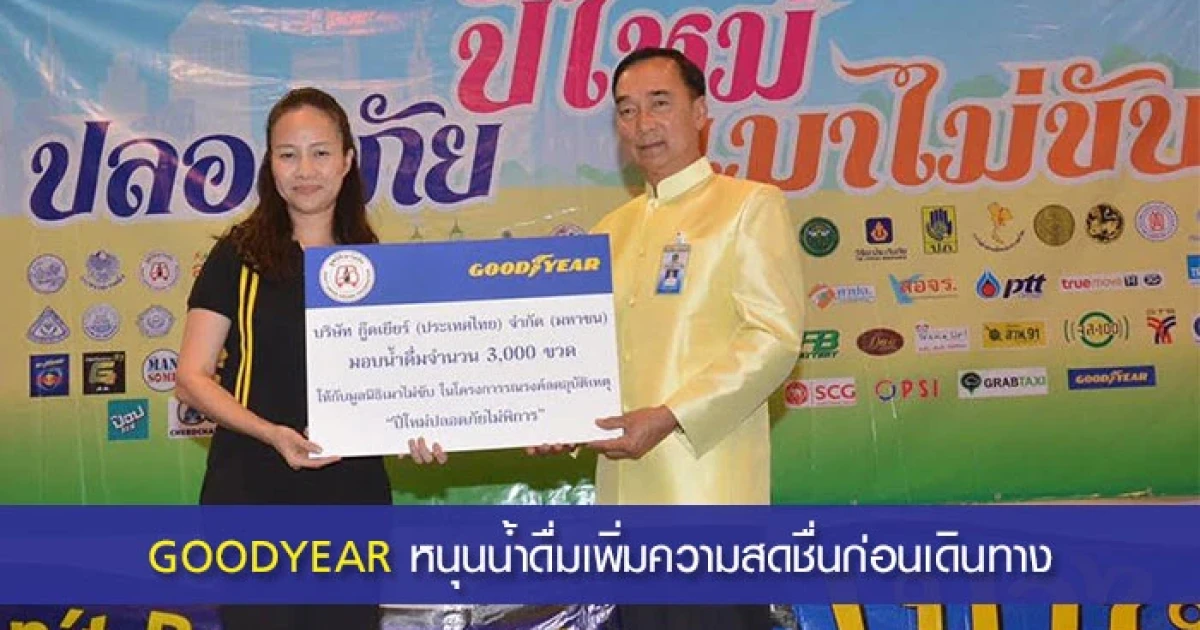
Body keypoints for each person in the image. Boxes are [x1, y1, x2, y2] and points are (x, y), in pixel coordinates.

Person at [552, 47, 805, 629]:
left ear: (700, 112)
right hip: (624, 512)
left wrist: (669, 416)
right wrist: (554, 418)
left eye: (659, 103)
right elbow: (584, 357)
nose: (643, 124)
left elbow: (774, 336)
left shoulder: (748, 207)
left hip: (706, 503)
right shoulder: (609, 233)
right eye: (626, 110)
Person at [176, 87, 443, 630]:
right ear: (270, 164)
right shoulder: (237, 257)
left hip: (352, 498)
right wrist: (271, 433)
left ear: (347, 161)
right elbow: (190, 378)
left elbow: (397, 386)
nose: (305, 170)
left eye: (320, 153)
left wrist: (415, 429)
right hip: (251, 494)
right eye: (288, 154)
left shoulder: (374, 267)